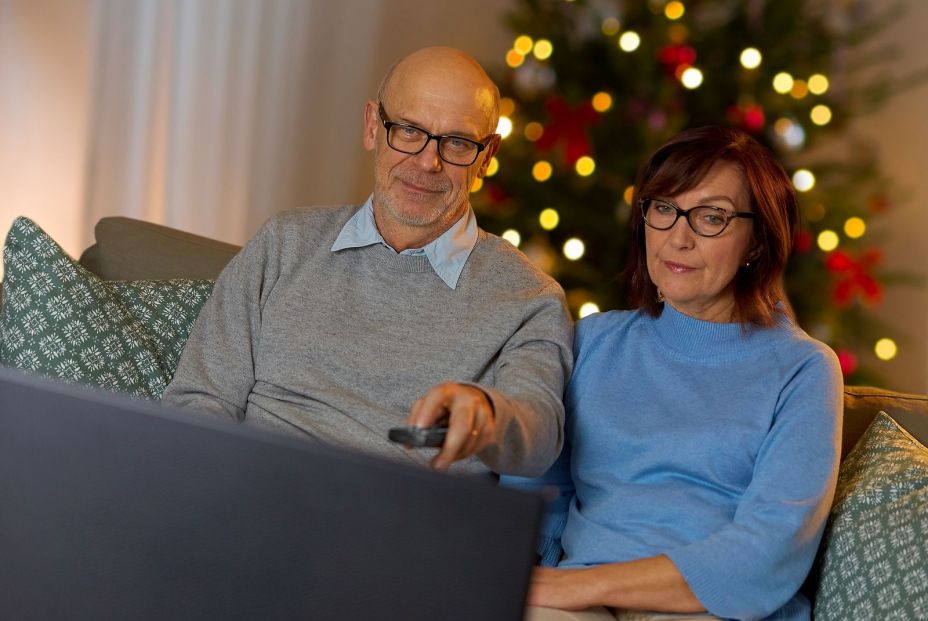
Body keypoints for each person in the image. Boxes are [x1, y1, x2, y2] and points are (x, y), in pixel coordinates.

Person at [162, 47, 573, 476]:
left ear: (487, 156)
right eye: (410, 131)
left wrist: (488, 416)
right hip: (250, 505)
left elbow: (539, 438)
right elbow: (200, 402)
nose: (428, 162)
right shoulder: (284, 243)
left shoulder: (530, 299)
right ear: (372, 126)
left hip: (399, 528)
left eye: (457, 142)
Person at [504, 126, 843, 621]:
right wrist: (552, 581)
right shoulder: (592, 341)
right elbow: (535, 490)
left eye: (712, 217)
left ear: (756, 242)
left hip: (710, 608)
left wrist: (576, 584)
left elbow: (766, 553)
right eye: (663, 208)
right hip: (579, 603)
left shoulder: (805, 369)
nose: (678, 238)